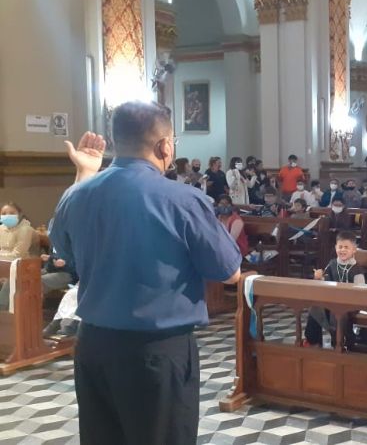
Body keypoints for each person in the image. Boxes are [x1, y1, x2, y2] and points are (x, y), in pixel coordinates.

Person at [49, 102, 242, 444]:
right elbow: (229, 271)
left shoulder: (77, 196)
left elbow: (62, 253)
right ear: (165, 146)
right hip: (155, 353)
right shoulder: (182, 199)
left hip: (93, 346)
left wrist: (85, 174)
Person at [304, 231, 366, 348]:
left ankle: (340, 342)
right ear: (335, 247)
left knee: (337, 312)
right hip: (332, 300)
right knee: (315, 307)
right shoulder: (332, 264)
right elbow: (325, 281)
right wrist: (318, 277)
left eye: (346, 247)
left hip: (350, 303)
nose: (342, 250)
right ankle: (313, 340)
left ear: (354, 250)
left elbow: (360, 291)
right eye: (340, 247)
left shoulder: (356, 269)